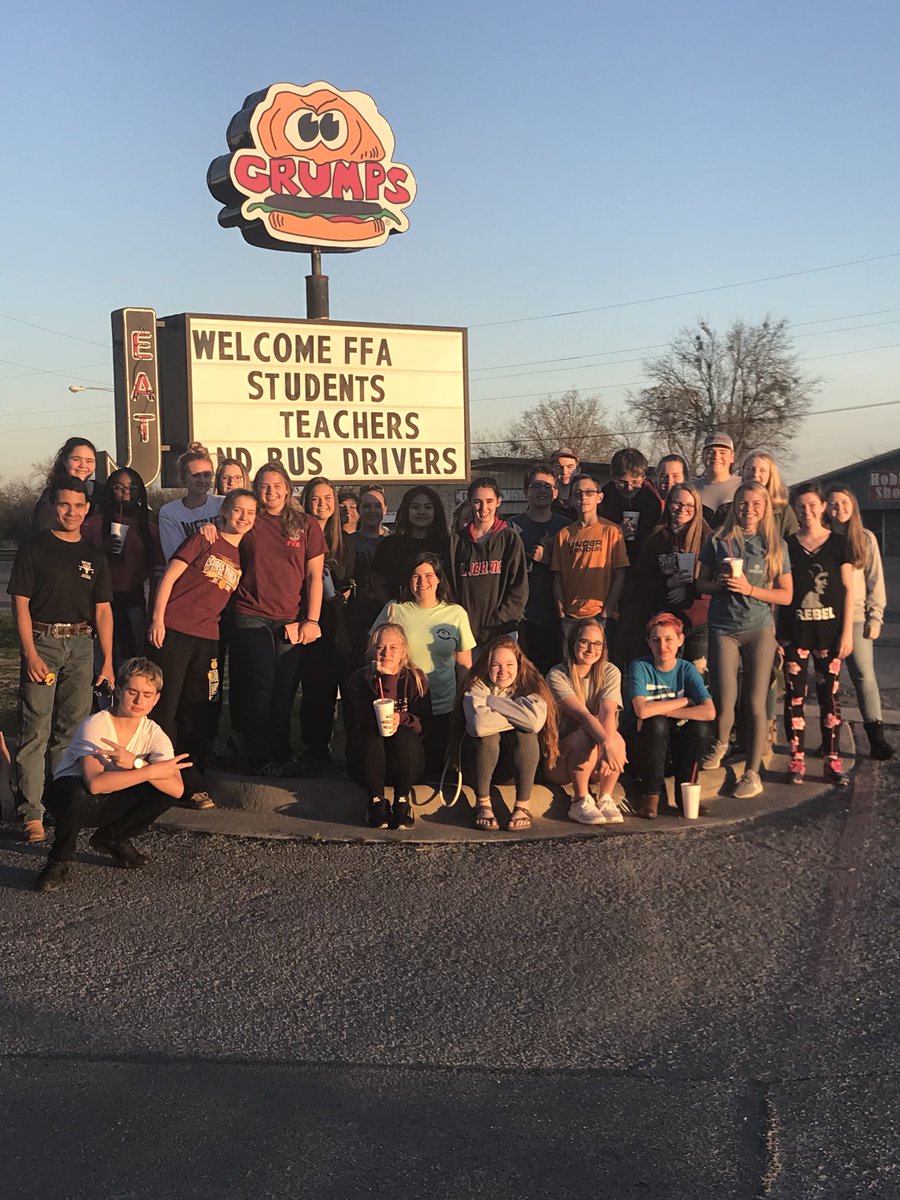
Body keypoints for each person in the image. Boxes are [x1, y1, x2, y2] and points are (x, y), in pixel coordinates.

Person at [8, 475, 114, 843]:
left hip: (82, 644)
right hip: (44, 641)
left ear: (88, 510)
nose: (72, 512)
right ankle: (31, 813)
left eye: (79, 506)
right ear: (54, 506)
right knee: (35, 729)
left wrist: (107, 661)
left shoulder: (94, 555)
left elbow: (103, 611)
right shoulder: (34, 548)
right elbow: (20, 603)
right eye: (65, 504)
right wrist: (29, 652)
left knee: (71, 731)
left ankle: (60, 804)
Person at [33, 657, 191, 893]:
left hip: (114, 797)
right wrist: (149, 770)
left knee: (163, 790)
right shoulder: (96, 724)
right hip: (73, 800)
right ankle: (59, 860)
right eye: (132, 692)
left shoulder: (154, 733)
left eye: (147, 694)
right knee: (77, 791)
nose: (139, 701)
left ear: (156, 698)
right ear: (118, 691)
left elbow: (177, 789)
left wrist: (137, 764)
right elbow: (95, 784)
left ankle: (111, 838)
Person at [147, 489, 257, 807]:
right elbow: (169, 577)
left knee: (200, 710)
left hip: (208, 637)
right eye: (238, 510)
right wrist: (157, 619)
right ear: (225, 512)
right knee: (165, 707)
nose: (244, 517)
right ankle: (157, 778)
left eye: (250, 512)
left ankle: (192, 780)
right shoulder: (204, 538)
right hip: (174, 629)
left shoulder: (243, 555)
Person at [697, 481, 793, 799]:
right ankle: (721, 742)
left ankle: (752, 773)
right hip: (723, 628)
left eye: (755, 504)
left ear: (765, 508)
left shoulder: (775, 544)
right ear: (734, 506)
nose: (748, 509)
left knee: (754, 702)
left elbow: (786, 594)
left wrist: (750, 589)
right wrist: (720, 585)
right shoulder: (718, 539)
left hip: (758, 629)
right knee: (724, 696)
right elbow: (700, 584)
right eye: (742, 503)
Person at [229, 462, 325, 775]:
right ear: (256, 490)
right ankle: (259, 758)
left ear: (287, 488)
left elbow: (314, 576)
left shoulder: (306, 525)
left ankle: (282, 753)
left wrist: (312, 620)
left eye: (277, 485)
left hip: (290, 618)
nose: (270, 492)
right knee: (261, 687)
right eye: (264, 486)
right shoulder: (249, 520)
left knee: (284, 691)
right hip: (250, 614)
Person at [777, 485, 853, 787]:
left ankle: (831, 759)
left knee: (829, 697)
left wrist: (847, 633)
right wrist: (774, 634)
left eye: (812, 505)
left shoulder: (839, 544)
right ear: (794, 510)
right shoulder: (786, 545)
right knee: (794, 697)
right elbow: (778, 589)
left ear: (822, 507)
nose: (806, 511)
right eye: (801, 506)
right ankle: (796, 758)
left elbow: (848, 590)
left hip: (830, 635)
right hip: (794, 634)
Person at [372, 552, 475, 772]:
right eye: (415, 576)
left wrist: (463, 704)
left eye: (428, 575)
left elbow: (464, 665)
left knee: (438, 769)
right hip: (406, 706)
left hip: (443, 704)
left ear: (438, 579)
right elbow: (374, 648)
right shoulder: (394, 609)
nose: (422, 582)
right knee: (408, 766)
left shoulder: (456, 614)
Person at [458, 637, 558, 832]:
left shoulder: (531, 684)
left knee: (526, 735)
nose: (503, 671)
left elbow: (534, 723)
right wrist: (518, 713)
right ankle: (483, 804)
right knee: (487, 737)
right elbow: (479, 725)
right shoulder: (476, 686)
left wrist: (492, 702)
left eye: (509, 664)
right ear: (487, 666)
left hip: (512, 767)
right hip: (477, 765)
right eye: (496, 665)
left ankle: (522, 807)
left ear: (519, 665)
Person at [826, 484, 894, 759]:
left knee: (863, 676)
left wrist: (875, 618)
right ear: (825, 508)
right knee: (828, 679)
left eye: (844, 502)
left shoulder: (864, 538)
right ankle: (829, 734)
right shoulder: (822, 537)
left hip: (856, 617)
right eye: (833, 504)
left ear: (853, 504)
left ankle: (876, 736)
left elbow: (875, 580)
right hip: (825, 618)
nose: (839, 508)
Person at [624, 613, 715, 818]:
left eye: (668, 639)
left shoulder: (686, 669)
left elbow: (709, 712)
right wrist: (684, 701)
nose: (662, 646)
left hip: (676, 743)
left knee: (700, 728)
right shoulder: (640, 666)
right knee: (656, 723)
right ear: (648, 642)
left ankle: (686, 795)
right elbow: (642, 710)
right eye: (656, 639)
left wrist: (665, 710)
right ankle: (650, 796)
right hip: (646, 743)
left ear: (680, 640)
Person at [344, 623, 431, 830]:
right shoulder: (359, 679)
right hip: (368, 761)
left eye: (393, 647)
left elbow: (423, 724)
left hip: (405, 762)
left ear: (403, 651)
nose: (386, 653)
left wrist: (401, 718)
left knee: (402, 733)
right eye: (380, 647)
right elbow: (361, 723)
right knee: (374, 733)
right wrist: (387, 679)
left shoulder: (416, 679)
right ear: (372, 650)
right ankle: (376, 802)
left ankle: (402, 801)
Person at [544, 618, 626, 825]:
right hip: (559, 761)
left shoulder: (610, 671)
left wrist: (609, 745)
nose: (591, 649)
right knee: (585, 736)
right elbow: (583, 715)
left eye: (597, 644)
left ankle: (605, 797)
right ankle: (580, 800)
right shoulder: (557, 675)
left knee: (616, 738)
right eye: (584, 642)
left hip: (597, 762)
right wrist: (605, 743)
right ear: (573, 643)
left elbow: (608, 712)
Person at [299, 476, 357, 763]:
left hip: (339, 624)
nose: (322, 504)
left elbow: (352, 581)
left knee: (347, 687)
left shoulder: (346, 542)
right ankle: (315, 750)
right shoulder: (297, 538)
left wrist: (342, 592)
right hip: (307, 621)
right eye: (315, 498)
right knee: (315, 688)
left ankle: (354, 750)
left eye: (327, 498)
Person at [82, 467, 162, 667]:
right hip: (98, 603)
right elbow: (77, 564)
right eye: (119, 487)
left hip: (134, 604)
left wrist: (153, 613)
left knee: (131, 664)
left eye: (132, 488)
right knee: (99, 663)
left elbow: (157, 575)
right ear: (110, 490)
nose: (126, 492)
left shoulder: (150, 530)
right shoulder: (93, 525)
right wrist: (100, 551)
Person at [626, 483, 711, 668]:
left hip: (698, 619)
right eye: (677, 503)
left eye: (689, 505)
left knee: (698, 675)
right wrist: (668, 583)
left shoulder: (707, 538)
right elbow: (643, 579)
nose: (682, 509)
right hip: (666, 621)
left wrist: (688, 590)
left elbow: (714, 579)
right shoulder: (656, 538)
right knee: (668, 673)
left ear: (697, 508)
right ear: (669, 504)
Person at [449, 477, 528, 648]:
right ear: (470, 503)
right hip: (465, 632)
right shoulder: (457, 541)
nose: (483, 508)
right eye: (478, 502)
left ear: (498, 501)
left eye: (489, 501)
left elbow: (519, 589)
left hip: (501, 631)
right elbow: (450, 586)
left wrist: (499, 619)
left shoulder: (510, 538)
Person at [508, 465, 569, 674]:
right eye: (536, 486)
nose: (542, 490)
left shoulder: (567, 527)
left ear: (556, 492)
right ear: (526, 492)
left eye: (548, 486)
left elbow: (575, 570)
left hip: (559, 615)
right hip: (524, 617)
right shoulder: (511, 528)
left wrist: (548, 559)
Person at [552, 472, 628, 631]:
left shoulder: (612, 531)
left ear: (599, 497)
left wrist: (607, 612)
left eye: (589, 492)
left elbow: (620, 574)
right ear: (571, 499)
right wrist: (561, 614)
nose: (583, 497)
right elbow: (557, 576)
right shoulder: (564, 534)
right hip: (571, 617)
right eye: (578, 493)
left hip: (600, 615)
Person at [373, 484, 450, 602]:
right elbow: (380, 585)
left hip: (440, 610)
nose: (422, 512)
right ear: (406, 510)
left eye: (428, 507)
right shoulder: (389, 546)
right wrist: (393, 608)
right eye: (415, 507)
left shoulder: (448, 545)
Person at [347, 484, 390, 665]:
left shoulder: (394, 542)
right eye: (367, 506)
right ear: (359, 510)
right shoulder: (349, 542)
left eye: (377, 505)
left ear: (385, 508)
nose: (372, 510)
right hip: (357, 621)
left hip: (388, 616)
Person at [158, 445, 224, 562]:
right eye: (195, 475)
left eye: (207, 475)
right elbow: (173, 554)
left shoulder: (223, 503)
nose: (202, 480)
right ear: (183, 478)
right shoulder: (169, 512)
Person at [599, 446, 663, 566]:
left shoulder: (652, 498)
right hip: (609, 559)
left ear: (643, 477)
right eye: (622, 482)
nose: (629, 488)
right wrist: (617, 532)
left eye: (635, 482)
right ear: (613, 477)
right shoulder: (605, 497)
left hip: (642, 560)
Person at [32, 437, 103, 533]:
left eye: (89, 461)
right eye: (76, 459)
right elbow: (42, 531)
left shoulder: (102, 493)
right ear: (64, 461)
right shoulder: (50, 496)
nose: (83, 465)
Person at [741, 452, 799, 538]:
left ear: (770, 475)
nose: (755, 474)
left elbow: (794, 541)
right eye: (750, 469)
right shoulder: (730, 509)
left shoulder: (783, 512)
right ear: (743, 472)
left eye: (762, 470)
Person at [693, 431, 741, 529]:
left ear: (732, 457)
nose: (716, 457)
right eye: (710, 452)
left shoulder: (743, 486)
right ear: (703, 456)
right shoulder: (692, 489)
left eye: (722, 452)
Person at [550, 446, 580, 518]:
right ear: (552, 470)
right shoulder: (545, 500)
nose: (564, 472)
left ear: (578, 470)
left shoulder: (585, 500)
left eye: (570, 467)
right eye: (559, 467)